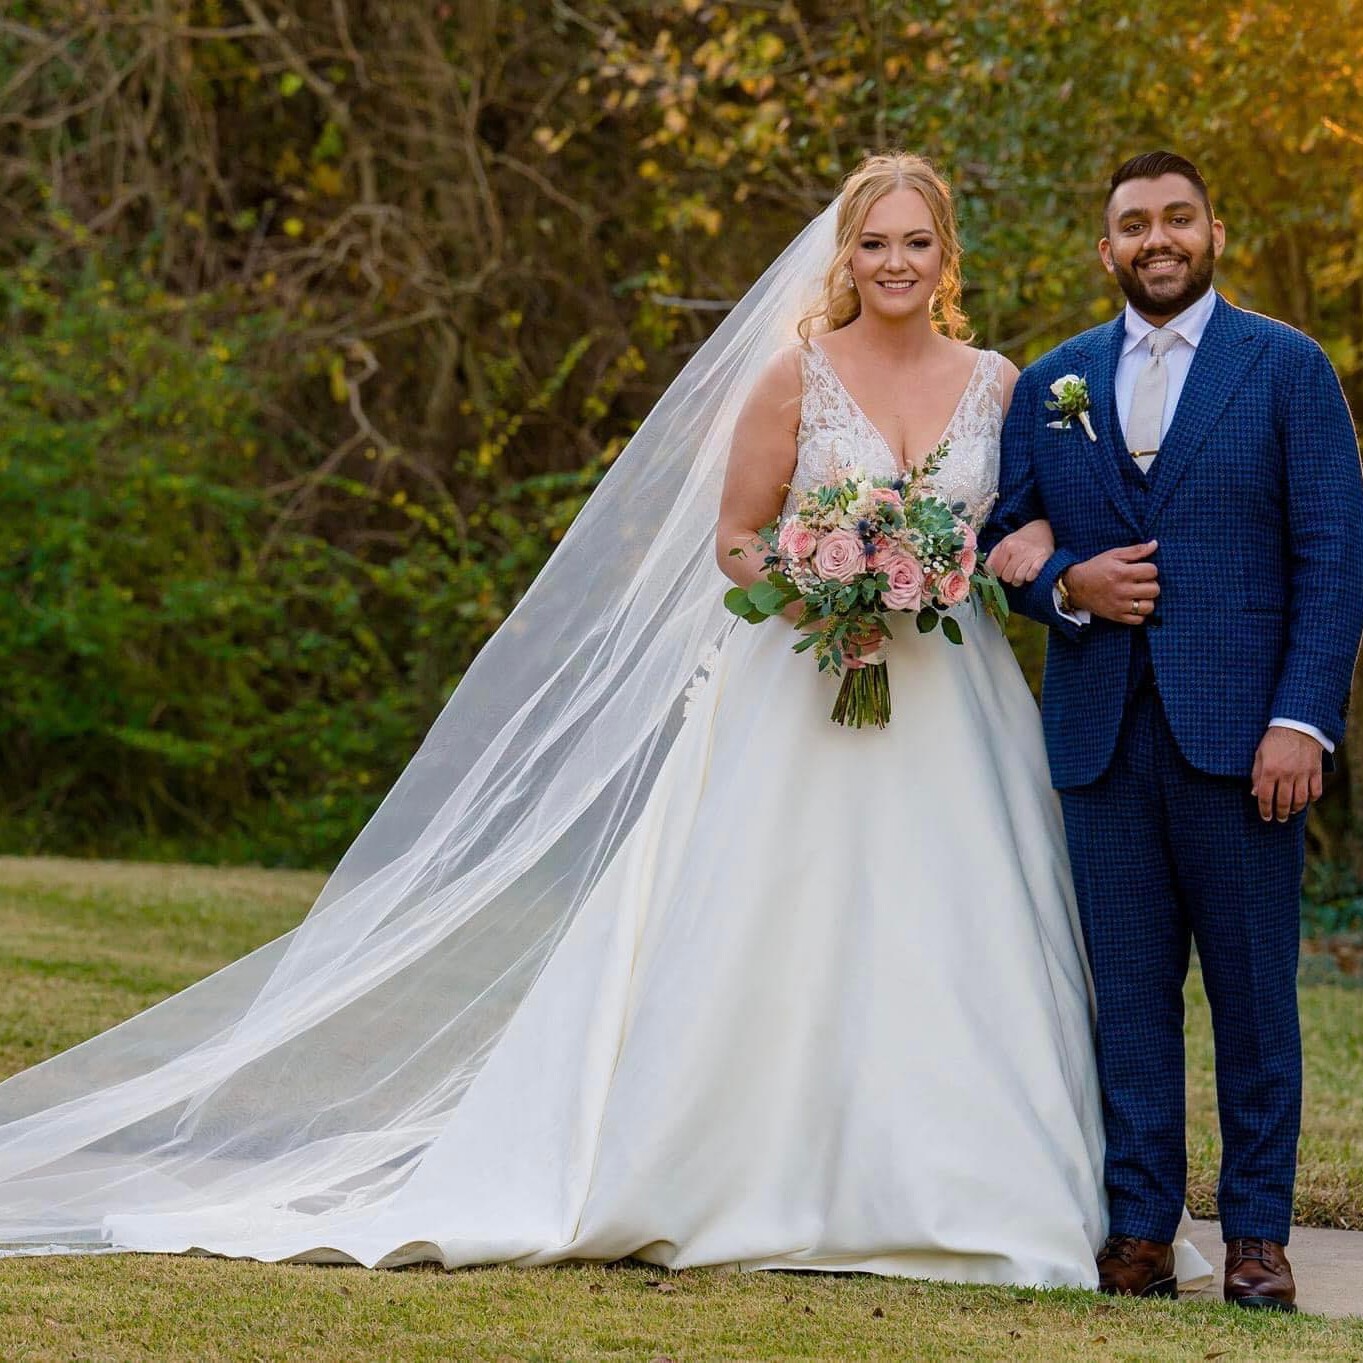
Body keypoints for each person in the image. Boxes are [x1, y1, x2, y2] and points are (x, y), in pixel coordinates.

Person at [0, 153, 1210, 1291]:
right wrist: (815, 574)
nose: (896, 261)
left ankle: (977, 1192)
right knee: (772, 921)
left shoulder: (1003, 382)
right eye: (875, 243)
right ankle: (744, 1172)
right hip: (799, 685)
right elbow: (734, 535)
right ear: (847, 256)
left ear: (947, 254)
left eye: (918, 242)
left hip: (949, 703)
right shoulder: (795, 376)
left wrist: (959, 566)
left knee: (958, 927)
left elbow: (1020, 526)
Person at [985, 150, 1363, 1310]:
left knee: (1254, 999)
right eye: (1134, 223)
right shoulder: (1055, 382)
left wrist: (1301, 718)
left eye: (1177, 217)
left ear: (1211, 231)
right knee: (1130, 998)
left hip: (1247, 742)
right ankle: (1140, 1226)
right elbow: (1009, 539)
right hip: (1101, 737)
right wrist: (1066, 588)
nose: (1157, 237)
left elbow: (1331, 557)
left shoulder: (1286, 368)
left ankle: (1255, 1236)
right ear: (1105, 248)